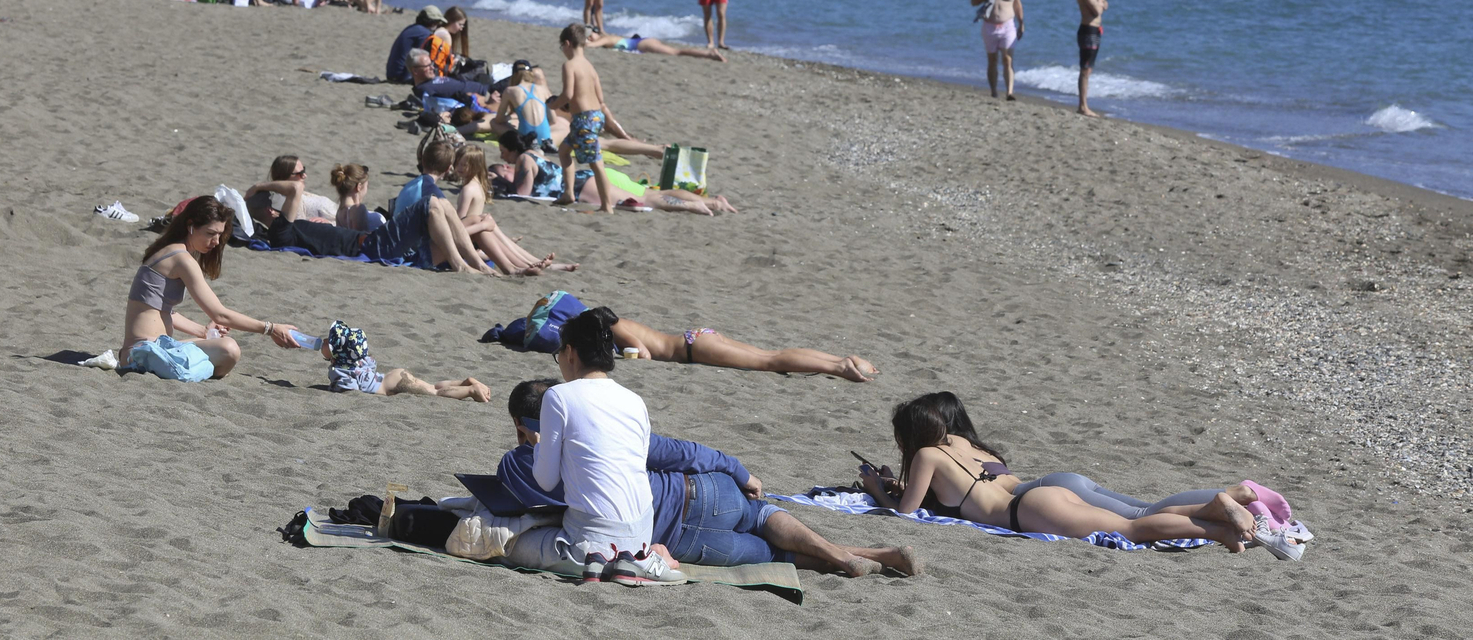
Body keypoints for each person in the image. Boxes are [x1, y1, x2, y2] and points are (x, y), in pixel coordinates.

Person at [499, 379, 919, 577]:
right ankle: (866, 554)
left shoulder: (522, 465)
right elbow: (681, 452)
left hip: (681, 538)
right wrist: (738, 468)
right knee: (761, 516)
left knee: (773, 556)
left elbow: (550, 506)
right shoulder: (611, 429)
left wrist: (528, 443)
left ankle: (854, 560)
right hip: (703, 491)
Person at [856, 392, 1298, 556]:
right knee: (1141, 510)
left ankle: (1220, 525)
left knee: (1133, 527)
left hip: (1027, 510)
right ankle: (1222, 502)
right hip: (1051, 484)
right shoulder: (962, 442)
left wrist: (879, 489)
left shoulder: (927, 457)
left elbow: (907, 513)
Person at [522, 309, 686, 584]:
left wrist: (538, 446)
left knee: (507, 538)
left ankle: (600, 559)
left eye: (559, 354)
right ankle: (633, 561)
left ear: (571, 353)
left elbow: (546, 481)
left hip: (590, 538)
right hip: (642, 535)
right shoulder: (635, 400)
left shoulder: (558, 396)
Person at [119, 195, 301, 381]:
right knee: (229, 349)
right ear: (190, 226)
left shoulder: (167, 250)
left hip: (149, 350)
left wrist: (203, 331)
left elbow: (162, 311)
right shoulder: (181, 259)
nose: (216, 241)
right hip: (143, 354)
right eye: (210, 233)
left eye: (219, 234)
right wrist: (270, 328)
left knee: (221, 346)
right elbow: (220, 315)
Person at [247, 152, 496, 274]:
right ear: (268, 210)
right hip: (371, 247)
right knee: (431, 203)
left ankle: (472, 263)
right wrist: (260, 185)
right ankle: (461, 264)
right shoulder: (281, 231)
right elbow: (295, 188)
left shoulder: (285, 230)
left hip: (371, 243)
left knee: (439, 205)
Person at [608, 313, 875, 381]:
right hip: (696, 338)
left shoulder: (610, 323)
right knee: (770, 355)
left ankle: (840, 367)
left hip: (692, 349)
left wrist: (630, 355)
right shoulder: (613, 321)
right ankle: (842, 359)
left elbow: (642, 352)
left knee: (770, 362)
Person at [454, 145, 575, 274]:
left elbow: (459, 223)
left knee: (494, 239)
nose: (460, 168)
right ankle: (533, 263)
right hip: (476, 234)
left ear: (475, 166)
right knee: (502, 240)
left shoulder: (468, 189)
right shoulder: (478, 185)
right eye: (458, 164)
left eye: (464, 165)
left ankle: (530, 263)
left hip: (471, 237)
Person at [321, 320, 489, 399]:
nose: (324, 341)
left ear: (336, 353)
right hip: (393, 375)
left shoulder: (341, 371)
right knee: (431, 385)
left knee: (434, 393)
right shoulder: (358, 360)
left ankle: (470, 391)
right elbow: (369, 364)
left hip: (391, 386)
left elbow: (349, 392)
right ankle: (465, 382)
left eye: (328, 342)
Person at [552, 23, 616, 213]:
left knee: (596, 163)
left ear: (567, 43)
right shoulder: (590, 66)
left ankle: (607, 206)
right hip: (595, 116)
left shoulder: (569, 65)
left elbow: (568, 94)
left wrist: (554, 105)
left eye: (561, 47)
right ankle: (569, 193)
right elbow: (601, 98)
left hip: (584, 119)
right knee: (564, 151)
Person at [971, 0, 1023, 100]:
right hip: (989, 25)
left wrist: (1021, 23)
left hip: (1007, 25)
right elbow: (973, 2)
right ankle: (994, 91)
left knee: (1008, 59)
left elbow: (1017, 4)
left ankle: (1009, 92)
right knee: (992, 60)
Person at [407, 49, 493, 112]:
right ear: (415, 71)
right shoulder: (425, 90)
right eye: (427, 66)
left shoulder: (429, 80)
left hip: (481, 85)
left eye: (431, 64)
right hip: (484, 95)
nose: (432, 68)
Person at [492, 59, 554, 146]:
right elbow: (553, 120)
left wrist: (509, 118)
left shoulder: (510, 90)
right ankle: (544, 141)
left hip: (525, 138)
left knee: (493, 123)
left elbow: (499, 119)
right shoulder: (543, 89)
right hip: (545, 137)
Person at [1075, 0, 1108, 118]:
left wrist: (1100, 3)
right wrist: (1100, 4)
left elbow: (1105, 4)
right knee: (1085, 69)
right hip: (1088, 30)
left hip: (1095, 30)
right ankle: (1083, 106)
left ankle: (1084, 104)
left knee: (1089, 68)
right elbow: (1098, 10)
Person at [494, 130, 565, 199]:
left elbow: (522, 194)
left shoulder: (524, 158)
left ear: (514, 150)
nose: (501, 156)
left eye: (503, 152)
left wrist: (499, 179)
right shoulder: (532, 153)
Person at [386, 5, 448, 83]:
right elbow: (419, 56)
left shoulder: (414, 28)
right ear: (433, 22)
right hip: (401, 76)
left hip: (392, 73)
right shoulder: (424, 34)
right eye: (438, 23)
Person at [584, 30, 724, 62]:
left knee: (676, 52)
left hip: (641, 44)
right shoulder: (608, 36)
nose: (590, 38)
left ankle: (709, 54)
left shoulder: (606, 38)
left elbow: (593, 45)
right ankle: (708, 53)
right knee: (675, 51)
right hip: (643, 42)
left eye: (590, 35)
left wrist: (585, 42)